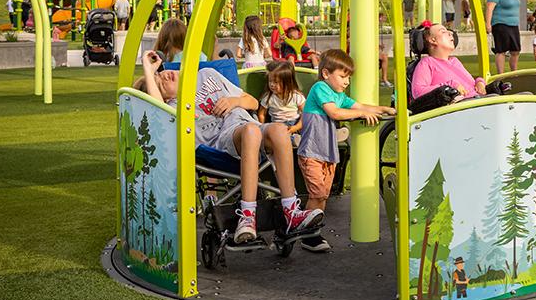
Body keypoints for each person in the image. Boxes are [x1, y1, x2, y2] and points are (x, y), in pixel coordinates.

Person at [135, 50, 322, 243]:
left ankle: (291, 211)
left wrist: (235, 101)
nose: (164, 75)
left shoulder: (207, 74)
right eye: (160, 83)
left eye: (160, 73)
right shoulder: (175, 108)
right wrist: (148, 70)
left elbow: (252, 101)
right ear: (163, 97)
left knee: (279, 130)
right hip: (227, 140)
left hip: (250, 127)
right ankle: (247, 216)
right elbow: (157, 109)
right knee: (251, 131)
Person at [297, 49, 395, 251]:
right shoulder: (320, 88)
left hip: (327, 154)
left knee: (322, 196)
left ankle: (313, 232)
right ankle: (308, 236)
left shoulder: (338, 95)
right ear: (326, 73)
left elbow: (360, 106)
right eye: (343, 76)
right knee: (316, 195)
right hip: (312, 152)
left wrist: (384, 109)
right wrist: (359, 113)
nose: (347, 82)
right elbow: (335, 113)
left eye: (348, 77)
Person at [411, 23, 486, 100]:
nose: (451, 33)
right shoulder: (427, 63)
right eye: (443, 32)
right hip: (461, 108)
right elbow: (418, 92)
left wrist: (480, 82)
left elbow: (470, 83)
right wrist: (449, 86)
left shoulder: (455, 61)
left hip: (478, 102)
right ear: (433, 40)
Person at [485, 0, 521, 74]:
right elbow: (489, 8)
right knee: (501, 50)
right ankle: (501, 75)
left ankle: (514, 73)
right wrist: (488, 24)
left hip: (513, 24)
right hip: (500, 24)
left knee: (516, 50)